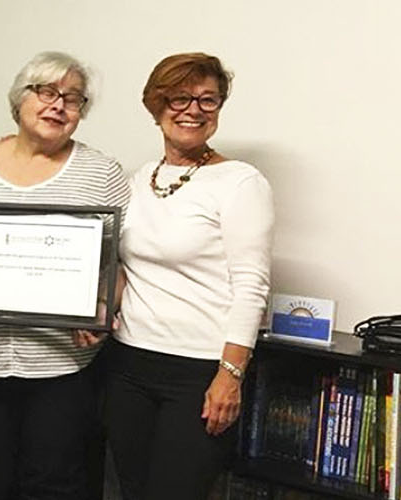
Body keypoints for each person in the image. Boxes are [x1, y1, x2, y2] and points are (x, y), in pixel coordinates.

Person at [0, 52, 129, 500]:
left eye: (72, 99)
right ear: (20, 99)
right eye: (47, 92)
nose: (59, 105)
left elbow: (118, 265)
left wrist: (102, 306)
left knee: (53, 484)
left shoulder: (103, 174)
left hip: (63, 366)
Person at [104, 53, 273, 500]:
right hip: (128, 365)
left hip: (198, 373)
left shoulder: (240, 182)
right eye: (180, 98)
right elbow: (128, 268)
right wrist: (97, 315)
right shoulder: (138, 179)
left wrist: (230, 374)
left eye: (208, 100)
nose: (193, 110)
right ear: (156, 106)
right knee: (132, 490)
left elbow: (252, 285)